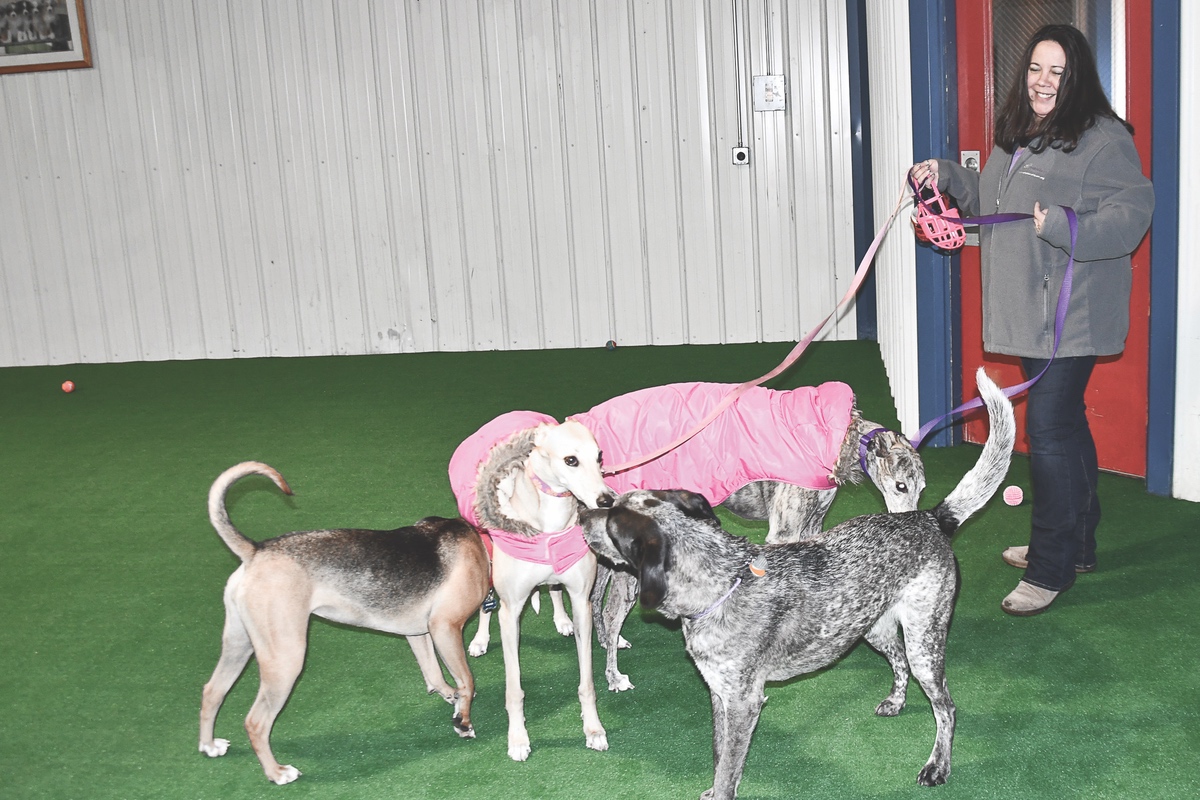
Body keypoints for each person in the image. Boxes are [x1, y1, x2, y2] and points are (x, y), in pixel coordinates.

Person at [910, 24, 1154, 616]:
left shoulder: (1102, 139)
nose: (1044, 82)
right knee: (1065, 426)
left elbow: (1134, 211)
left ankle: (1052, 567)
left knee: (1046, 432)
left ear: (1076, 79)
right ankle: (1081, 544)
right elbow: (995, 201)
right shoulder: (1020, 135)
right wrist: (947, 176)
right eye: (1036, 70)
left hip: (1073, 315)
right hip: (1030, 311)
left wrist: (1066, 226)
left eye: (1058, 72)